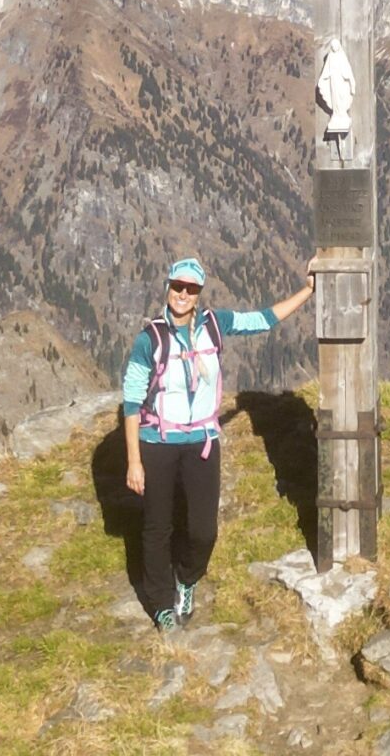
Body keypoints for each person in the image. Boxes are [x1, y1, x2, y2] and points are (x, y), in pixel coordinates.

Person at [122, 256, 313, 631]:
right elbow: (131, 403)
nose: (182, 294)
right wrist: (134, 461)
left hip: (203, 443)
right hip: (157, 442)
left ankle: (187, 580)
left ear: (199, 293)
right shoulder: (151, 339)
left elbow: (263, 319)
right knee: (157, 527)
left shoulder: (215, 325)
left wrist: (308, 290)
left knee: (203, 529)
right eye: (178, 286)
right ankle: (162, 605)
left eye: (191, 288)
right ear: (168, 287)